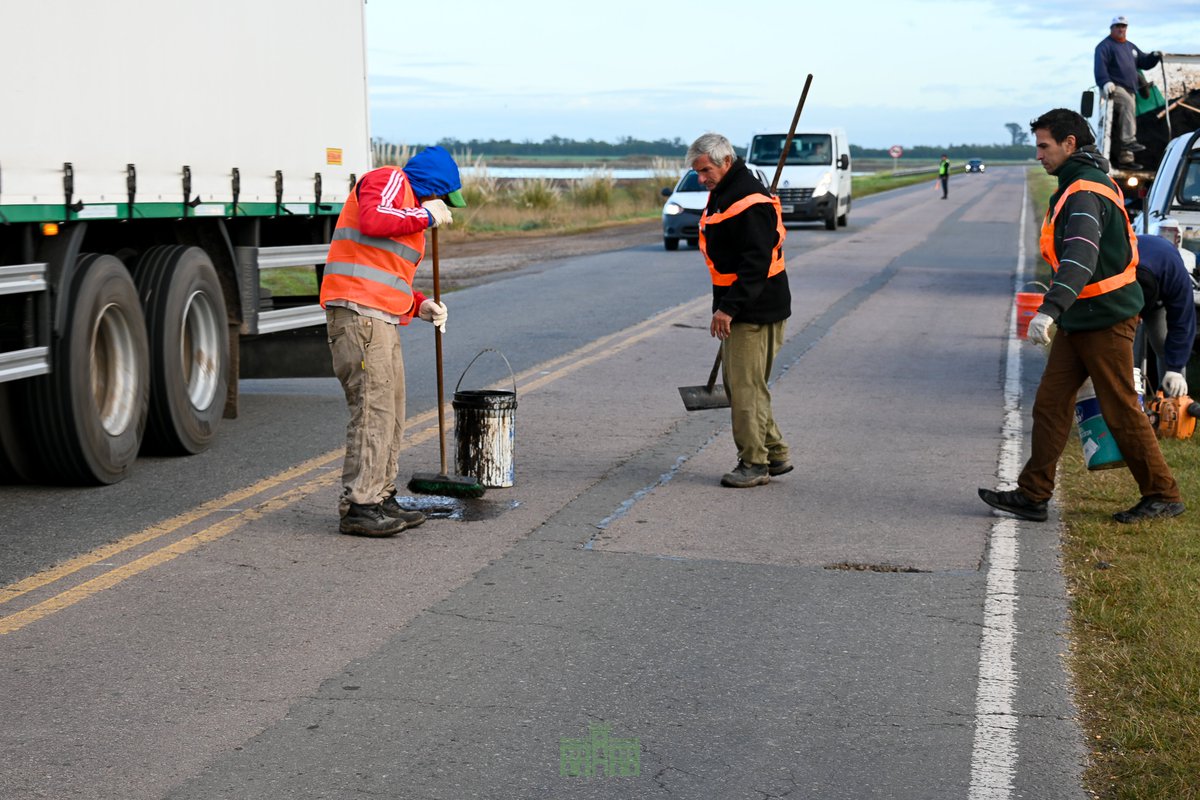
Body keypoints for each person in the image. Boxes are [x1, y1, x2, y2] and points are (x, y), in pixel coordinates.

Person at [979, 109, 1184, 524]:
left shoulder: (1085, 191)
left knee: (1121, 409)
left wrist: (1048, 309)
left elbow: (1080, 256)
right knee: (1050, 404)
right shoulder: (1078, 184)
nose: (1039, 155)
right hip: (1082, 317)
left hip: (1106, 319)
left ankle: (1163, 494)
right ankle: (1033, 494)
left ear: (1069, 143)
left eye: (1044, 146)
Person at [319, 146, 464, 536]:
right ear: (432, 187)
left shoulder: (407, 215)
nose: (441, 208)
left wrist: (420, 304)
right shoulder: (389, 180)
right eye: (442, 198)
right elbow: (374, 219)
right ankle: (360, 506)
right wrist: (424, 215)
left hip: (378, 317)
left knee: (392, 412)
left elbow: (384, 273)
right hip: (359, 316)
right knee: (374, 411)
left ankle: (380, 495)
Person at [687, 132, 792, 488]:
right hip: (749, 304)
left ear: (726, 161)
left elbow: (755, 264)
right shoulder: (728, 192)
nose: (701, 179)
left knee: (745, 389)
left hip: (754, 308)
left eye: (705, 171)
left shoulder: (749, 200)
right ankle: (774, 452)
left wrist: (728, 309)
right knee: (745, 385)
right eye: (697, 172)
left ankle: (754, 464)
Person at [1094, 15, 1162, 170]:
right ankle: (1128, 140)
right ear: (1111, 28)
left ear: (1126, 28)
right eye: (1118, 26)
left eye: (1123, 26)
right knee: (1127, 104)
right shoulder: (1104, 47)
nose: (1121, 29)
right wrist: (1105, 82)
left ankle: (1126, 159)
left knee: (1128, 116)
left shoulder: (1130, 47)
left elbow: (1144, 62)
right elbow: (1100, 68)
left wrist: (1154, 57)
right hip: (1113, 88)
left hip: (1130, 89)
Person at [1133, 232, 1196, 397]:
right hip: (1124, 289)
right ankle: (1128, 400)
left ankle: (1173, 401)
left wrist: (1175, 369)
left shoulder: (1176, 278)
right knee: (1126, 351)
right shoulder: (1119, 266)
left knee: (1163, 344)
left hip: (1159, 283)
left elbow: (1183, 323)